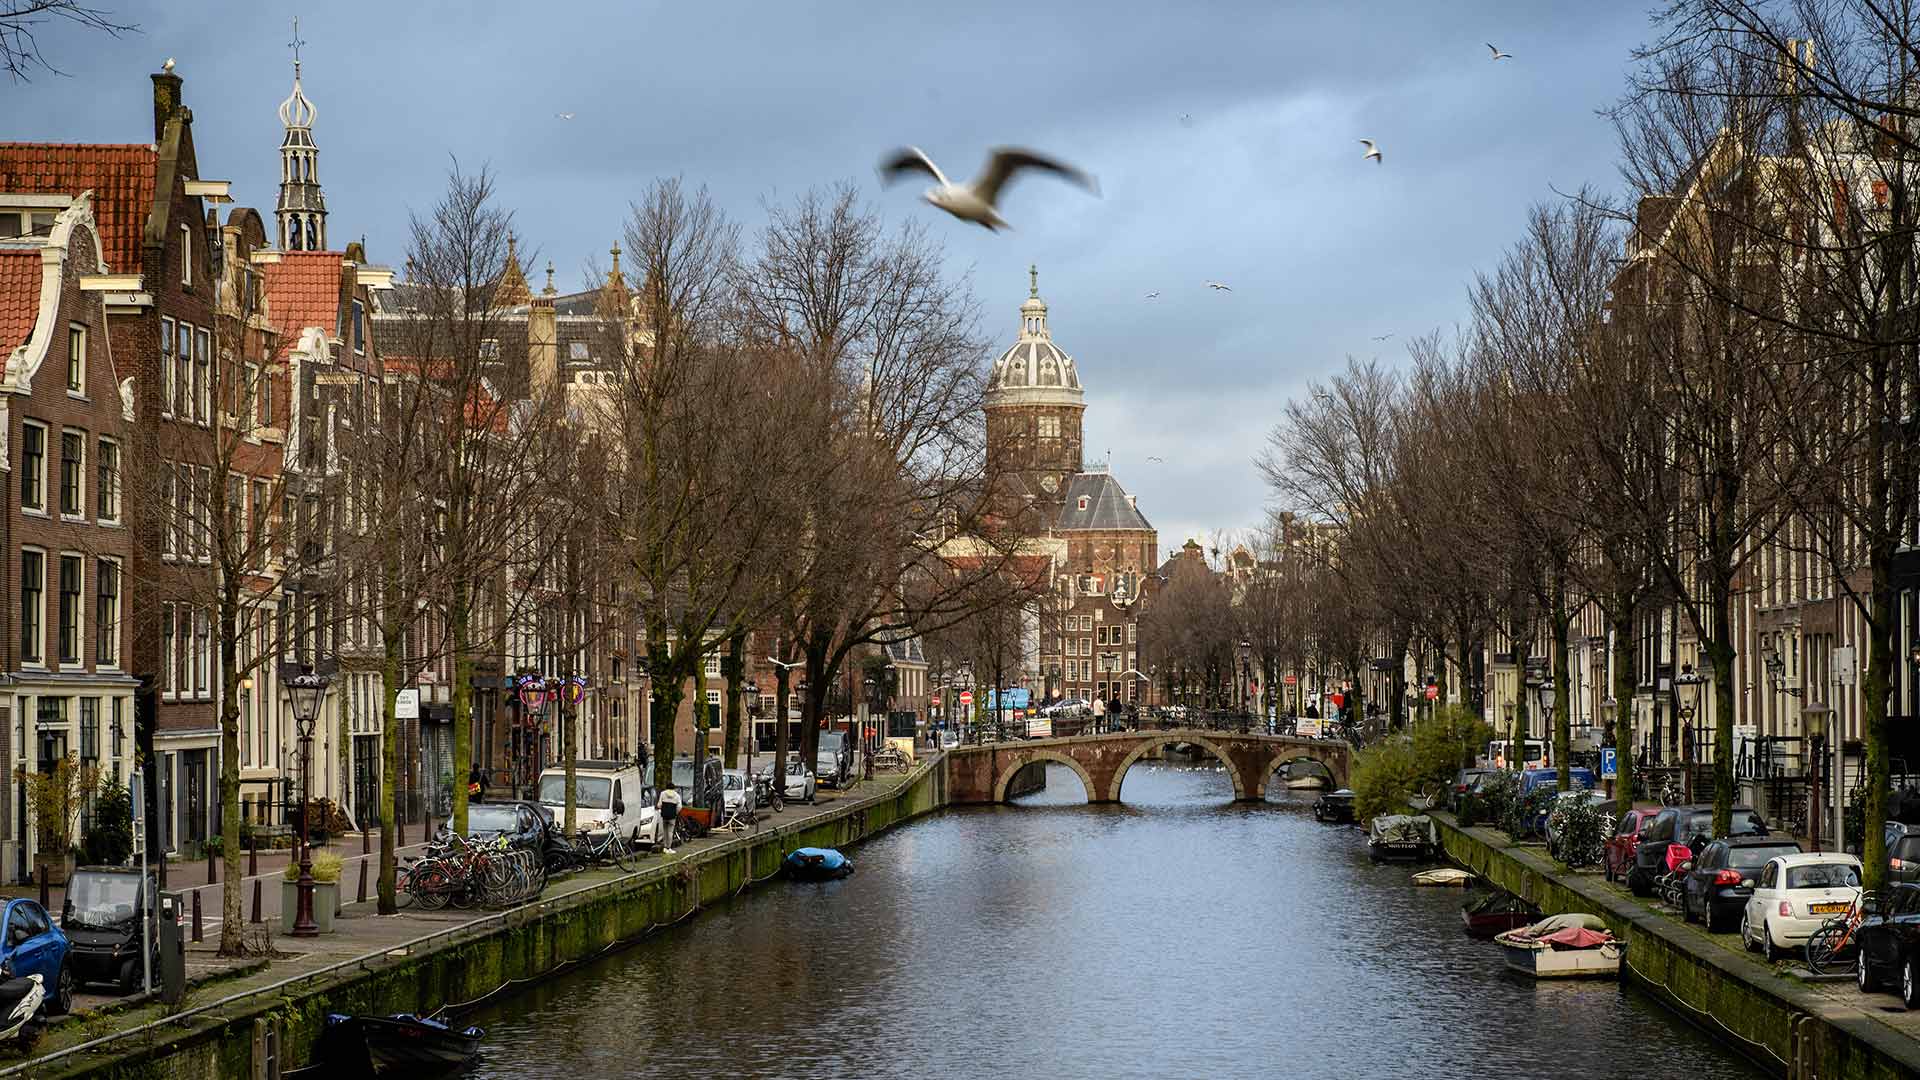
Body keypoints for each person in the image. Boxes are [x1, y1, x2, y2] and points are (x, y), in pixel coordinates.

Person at [656, 785, 682, 855]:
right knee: (670, 832)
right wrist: (675, 812)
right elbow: (680, 807)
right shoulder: (677, 795)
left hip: (664, 815)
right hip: (672, 816)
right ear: (674, 788)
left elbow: (659, 805)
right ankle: (669, 848)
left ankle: (664, 847)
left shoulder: (663, 793)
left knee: (665, 831)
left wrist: (661, 808)